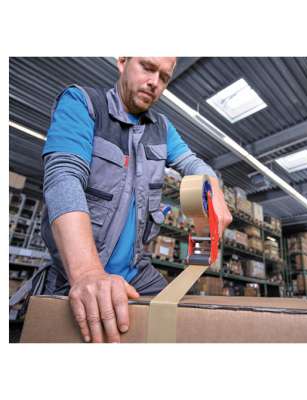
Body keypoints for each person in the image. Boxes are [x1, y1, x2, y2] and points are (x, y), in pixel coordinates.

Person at [41, 57, 232, 343]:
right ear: (122, 61)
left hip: (138, 272)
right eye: (147, 67)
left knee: (179, 329)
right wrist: (87, 272)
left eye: (164, 77)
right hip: (78, 273)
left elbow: (192, 163)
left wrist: (213, 187)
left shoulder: (162, 128)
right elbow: (63, 177)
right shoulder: (84, 103)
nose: (155, 82)